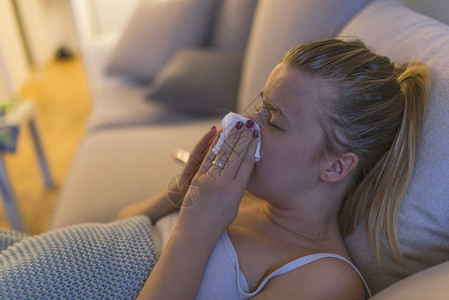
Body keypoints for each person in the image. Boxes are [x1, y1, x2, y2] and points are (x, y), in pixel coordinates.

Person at [118, 39, 430, 299]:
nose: (247, 122)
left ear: (336, 166)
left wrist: (195, 230)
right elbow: (119, 228)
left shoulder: (325, 279)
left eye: (275, 121)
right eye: (261, 106)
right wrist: (180, 193)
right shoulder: (232, 194)